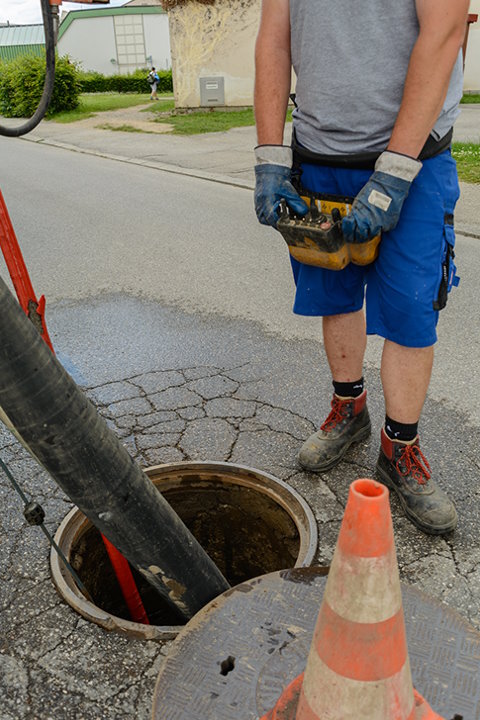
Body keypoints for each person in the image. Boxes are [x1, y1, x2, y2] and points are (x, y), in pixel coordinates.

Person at [254, 0, 469, 535]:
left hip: (414, 159)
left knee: (411, 310)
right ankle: (349, 412)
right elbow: (275, 39)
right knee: (335, 293)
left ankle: (400, 449)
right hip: (319, 157)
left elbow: (442, 34)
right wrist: (269, 156)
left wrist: (395, 170)